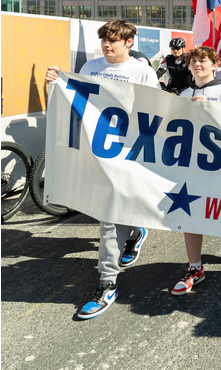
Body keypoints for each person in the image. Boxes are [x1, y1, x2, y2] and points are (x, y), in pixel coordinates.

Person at [44, 19, 159, 320]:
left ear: (129, 42)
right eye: (104, 40)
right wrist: (57, 82)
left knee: (110, 216)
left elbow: (156, 112)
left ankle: (107, 283)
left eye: (113, 40)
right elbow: (76, 101)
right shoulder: (90, 67)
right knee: (107, 209)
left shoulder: (142, 72)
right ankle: (135, 231)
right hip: (97, 153)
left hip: (127, 154)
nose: (107, 44)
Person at [172, 47, 221, 296]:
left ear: (215, 65)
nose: (197, 64)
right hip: (192, 162)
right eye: (193, 61)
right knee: (190, 212)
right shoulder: (184, 93)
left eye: (203, 60)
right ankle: (195, 267)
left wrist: (209, 111)